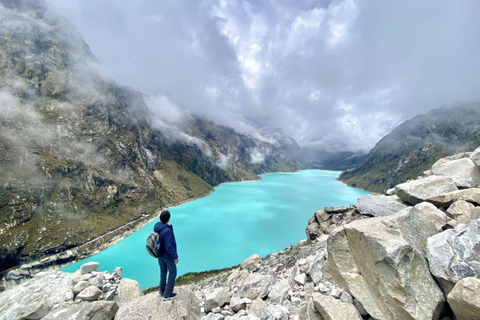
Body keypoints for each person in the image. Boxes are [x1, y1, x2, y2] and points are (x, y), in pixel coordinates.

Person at [154, 210, 179, 300]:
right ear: (168, 219)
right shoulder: (167, 231)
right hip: (167, 256)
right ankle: (168, 294)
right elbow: (169, 246)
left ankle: (161, 290)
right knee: (173, 273)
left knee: (163, 272)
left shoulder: (157, 227)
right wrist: (175, 256)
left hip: (159, 255)